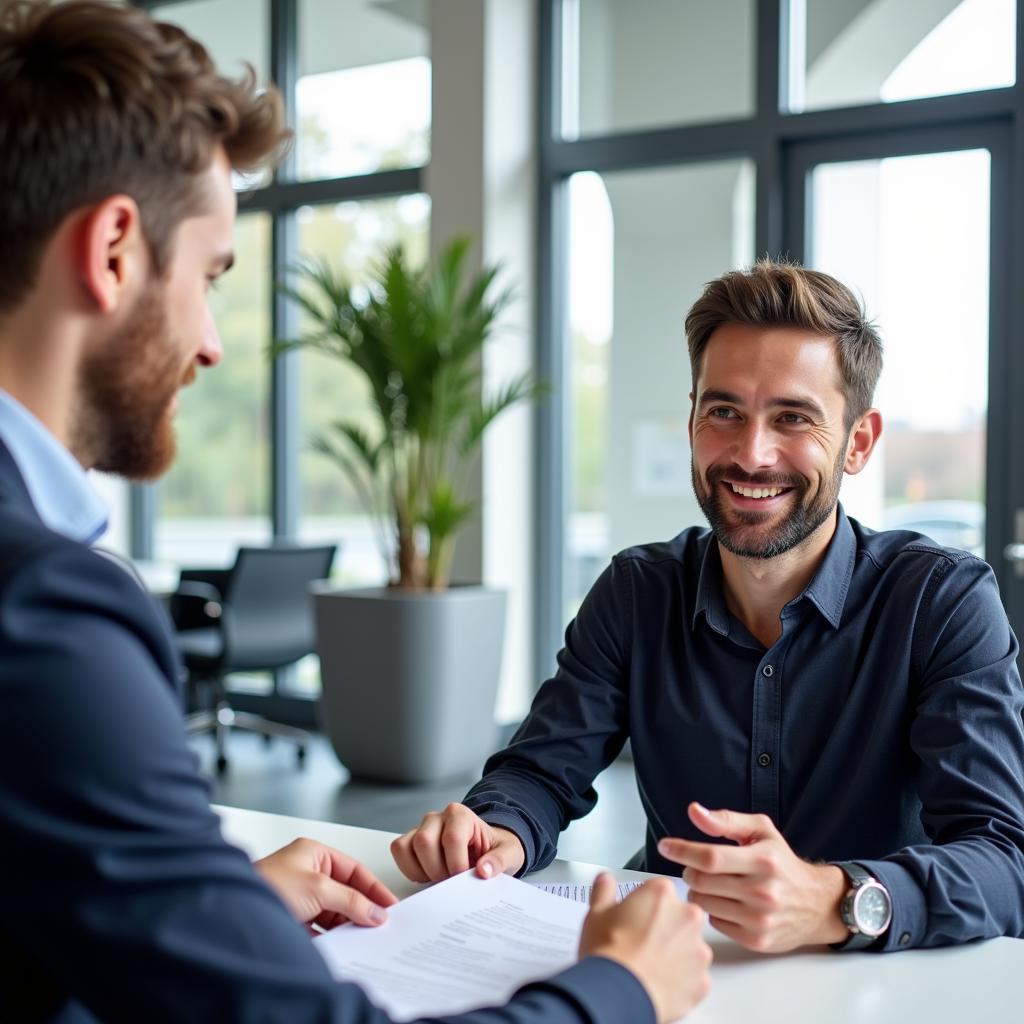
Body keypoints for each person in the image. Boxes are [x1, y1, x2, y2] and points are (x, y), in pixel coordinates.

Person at [0, 2, 712, 1022]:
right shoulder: (46, 610)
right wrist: (616, 990)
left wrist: (216, 909)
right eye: (207, 276)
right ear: (114, 248)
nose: (210, 342)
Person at [392, 260, 1024, 954]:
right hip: (666, 968)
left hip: (871, 984)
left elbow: (1003, 859)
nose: (751, 455)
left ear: (859, 443)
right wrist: (496, 833)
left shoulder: (941, 601)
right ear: (693, 417)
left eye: (793, 418)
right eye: (725, 411)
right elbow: (540, 773)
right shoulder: (637, 592)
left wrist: (840, 900)